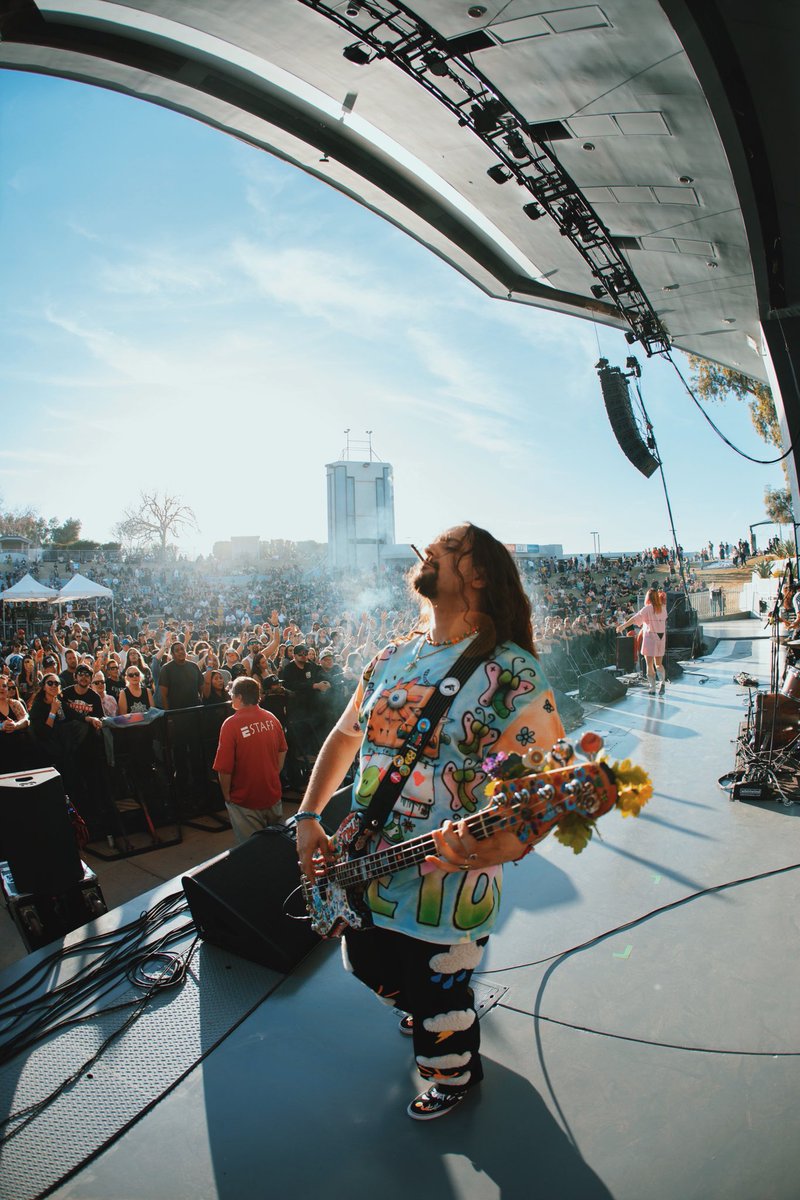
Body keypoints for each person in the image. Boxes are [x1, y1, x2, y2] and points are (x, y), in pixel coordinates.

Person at [295, 523, 564, 1121]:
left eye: (450, 544)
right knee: (364, 962)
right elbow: (345, 734)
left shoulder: (512, 672)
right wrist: (310, 813)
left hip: (452, 880)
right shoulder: (391, 656)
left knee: (440, 989)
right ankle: (420, 1005)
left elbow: (543, 789)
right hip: (366, 865)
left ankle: (455, 1074)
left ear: (479, 574)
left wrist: (485, 852)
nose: (432, 547)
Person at [212, 676, 287, 843]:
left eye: (232, 694)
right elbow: (283, 750)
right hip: (272, 794)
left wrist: (226, 796)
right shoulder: (271, 718)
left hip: (245, 801)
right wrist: (274, 773)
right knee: (278, 844)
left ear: (239, 697)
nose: (230, 697)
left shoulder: (231, 725)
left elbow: (224, 768)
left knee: (253, 851)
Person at [617, 587, 667, 694]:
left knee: (649, 664)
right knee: (658, 664)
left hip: (650, 637)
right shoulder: (663, 608)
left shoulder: (647, 609)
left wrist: (622, 626)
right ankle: (662, 682)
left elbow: (634, 618)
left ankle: (652, 687)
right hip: (661, 638)